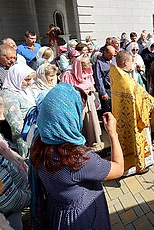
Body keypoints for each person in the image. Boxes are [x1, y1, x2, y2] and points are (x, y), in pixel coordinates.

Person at [29, 83, 123, 229]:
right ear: (69, 115)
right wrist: (113, 134)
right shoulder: (75, 157)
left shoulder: (39, 143)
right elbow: (118, 169)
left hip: (57, 213)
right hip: (82, 219)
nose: (84, 113)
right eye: (81, 109)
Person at [111, 51, 154, 176]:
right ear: (125, 63)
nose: (133, 64)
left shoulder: (115, 75)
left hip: (120, 116)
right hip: (133, 118)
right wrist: (152, 101)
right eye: (131, 61)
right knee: (135, 139)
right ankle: (138, 165)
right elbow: (146, 98)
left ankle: (124, 166)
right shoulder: (128, 82)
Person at [62, 55, 102, 146]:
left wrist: (91, 89)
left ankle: (92, 142)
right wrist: (84, 91)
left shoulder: (87, 73)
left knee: (91, 124)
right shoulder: (68, 75)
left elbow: (91, 84)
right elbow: (67, 91)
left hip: (89, 102)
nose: (85, 71)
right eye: (83, 68)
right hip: (77, 104)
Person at [1, 64, 36, 158]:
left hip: (35, 134)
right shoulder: (9, 96)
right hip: (25, 140)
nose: (30, 82)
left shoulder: (26, 90)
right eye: (27, 80)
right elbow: (17, 126)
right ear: (16, 78)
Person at [93, 45, 116, 114]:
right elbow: (98, 78)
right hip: (106, 90)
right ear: (104, 53)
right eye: (110, 55)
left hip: (114, 89)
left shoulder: (113, 61)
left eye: (113, 55)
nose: (112, 57)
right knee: (107, 112)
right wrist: (103, 92)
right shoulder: (98, 63)